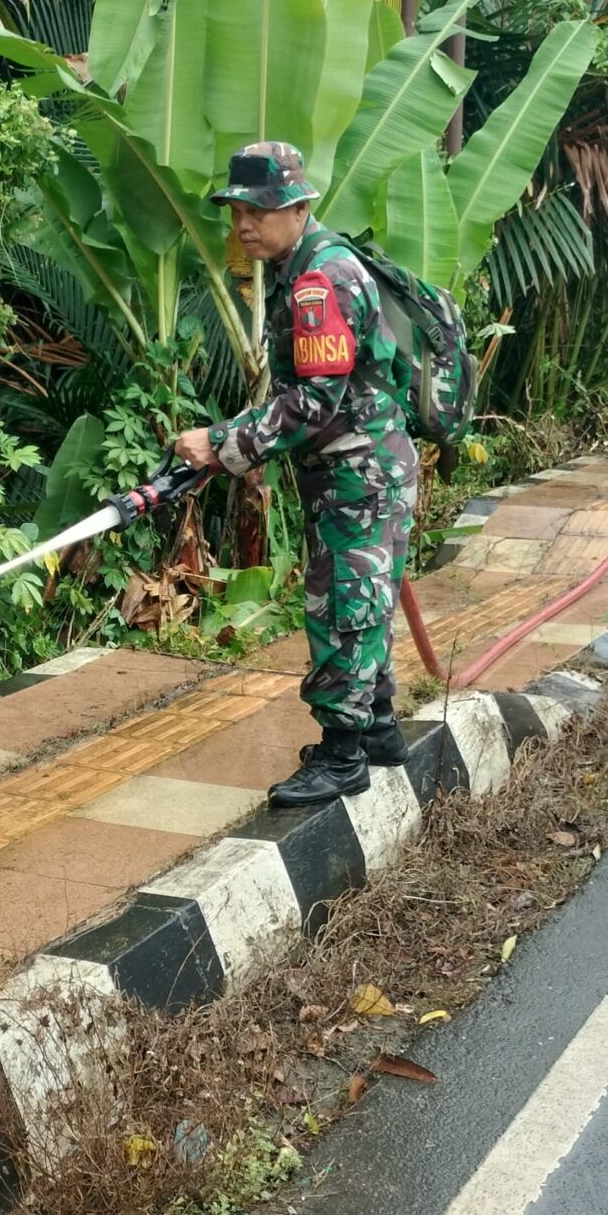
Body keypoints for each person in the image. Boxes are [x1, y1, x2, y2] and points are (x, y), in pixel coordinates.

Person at [173, 143, 418, 807]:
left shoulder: (318, 283)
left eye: (261, 209)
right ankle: (379, 732)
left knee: (343, 605)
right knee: (364, 602)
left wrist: (223, 444)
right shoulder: (305, 264)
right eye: (237, 210)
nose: (245, 223)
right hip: (366, 467)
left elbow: (314, 404)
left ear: (300, 206)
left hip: (357, 476)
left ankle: (343, 757)